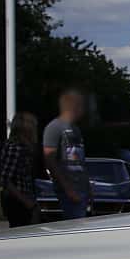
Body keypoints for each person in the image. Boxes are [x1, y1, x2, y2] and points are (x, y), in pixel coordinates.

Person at [43, 89, 91, 219]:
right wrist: (68, 189)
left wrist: (88, 187)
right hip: (68, 190)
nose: (83, 109)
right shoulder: (54, 127)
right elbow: (50, 160)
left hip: (81, 188)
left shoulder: (76, 129)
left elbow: (81, 161)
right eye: (81, 105)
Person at [0, 113, 40, 227]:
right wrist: (26, 201)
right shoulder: (15, 148)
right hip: (17, 202)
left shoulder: (25, 148)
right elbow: (5, 180)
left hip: (25, 199)